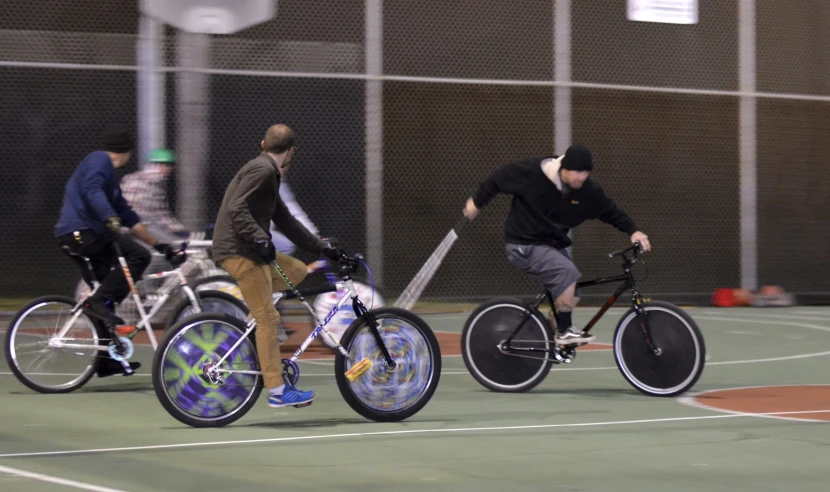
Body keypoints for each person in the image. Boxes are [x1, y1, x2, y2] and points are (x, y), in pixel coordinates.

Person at [462, 145, 651, 345]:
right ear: (565, 169)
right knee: (566, 274)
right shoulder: (533, 173)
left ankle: (548, 332)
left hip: (550, 244)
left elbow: (610, 211)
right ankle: (565, 331)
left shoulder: (588, 191)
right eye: (578, 172)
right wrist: (475, 204)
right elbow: (497, 180)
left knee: (573, 291)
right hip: (523, 243)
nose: (582, 177)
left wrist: (633, 231)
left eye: (586, 172)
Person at [212, 123, 344, 409]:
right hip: (239, 252)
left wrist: (323, 248)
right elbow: (237, 208)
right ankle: (277, 390)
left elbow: (286, 221)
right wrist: (260, 237)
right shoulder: (262, 171)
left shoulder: (267, 173)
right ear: (291, 151)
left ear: (263, 143)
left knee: (296, 270)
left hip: (250, 251)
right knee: (269, 319)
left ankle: (255, 317)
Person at [54, 130, 185, 377]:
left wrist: (160, 246)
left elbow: (129, 218)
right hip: (83, 232)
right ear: (127, 152)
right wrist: (108, 216)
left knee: (107, 299)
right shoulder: (98, 160)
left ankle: (105, 361)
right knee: (139, 257)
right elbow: (93, 190)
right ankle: (97, 303)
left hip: (81, 235)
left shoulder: (111, 181)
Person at [120, 148, 189, 244]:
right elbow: (159, 214)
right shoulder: (154, 182)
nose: (169, 169)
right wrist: (178, 230)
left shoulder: (129, 177)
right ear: (157, 165)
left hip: (123, 225)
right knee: (175, 245)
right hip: (140, 226)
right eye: (167, 165)